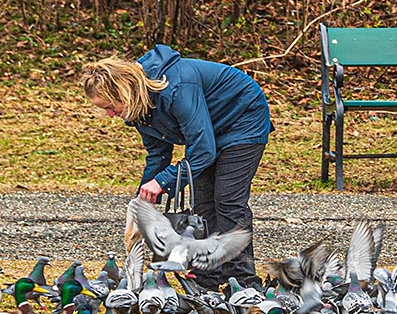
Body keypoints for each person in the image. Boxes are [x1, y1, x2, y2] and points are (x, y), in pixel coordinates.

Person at [81, 45, 272, 290]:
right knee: (202, 203)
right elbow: (158, 154)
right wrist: (143, 200)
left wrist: (162, 182)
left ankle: (244, 282)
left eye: (109, 106)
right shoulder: (138, 107)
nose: (109, 114)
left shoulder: (178, 88)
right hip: (207, 131)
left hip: (242, 120)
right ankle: (209, 277)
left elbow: (203, 150)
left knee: (227, 199)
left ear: (123, 93)